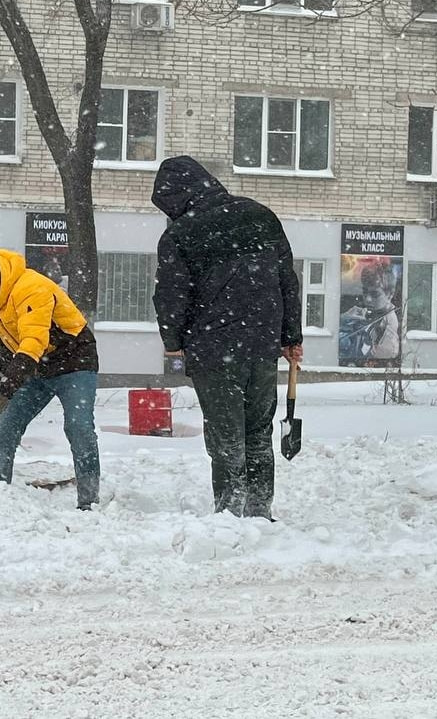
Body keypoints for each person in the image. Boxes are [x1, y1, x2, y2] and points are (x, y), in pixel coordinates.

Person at [150, 155, 303, 519]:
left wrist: (172, 342)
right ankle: (259, 509)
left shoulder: (180, 233)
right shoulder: (260, 215)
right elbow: (287, 281)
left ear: (176, 197)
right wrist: (290, 335)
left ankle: (231, 512)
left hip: (213, 349)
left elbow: (172, 295)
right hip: (263, 346)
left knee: (225, 434)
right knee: (258, 430)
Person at [0, 250, 101, 510]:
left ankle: (89, 502)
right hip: (37, 367)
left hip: (74, 362)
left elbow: (34, 340)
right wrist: (7, 377)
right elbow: (3, 342)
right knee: (6, 429)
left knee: (78, 427)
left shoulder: (31, 288)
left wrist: (14, 380)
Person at [340, 263, 399, 362]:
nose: (367, 299)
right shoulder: (370, 311)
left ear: (390, 295)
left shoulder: (389, 325)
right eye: (364, 292)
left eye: (375, 294)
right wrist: (343, 320)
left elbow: (381, 358)